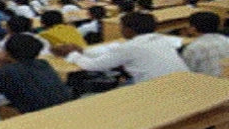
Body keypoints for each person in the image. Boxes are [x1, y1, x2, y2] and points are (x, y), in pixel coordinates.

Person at [54, 12, 189, 83]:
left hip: (154, 88)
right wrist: (83, 51)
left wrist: (72, 54)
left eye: (121, 26)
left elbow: (93, 66)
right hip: (180, 81)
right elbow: (113, 51)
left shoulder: (131, 47)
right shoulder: (162, 39)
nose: (120, 29)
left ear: (129, 30)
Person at [0, 34, 72, 113]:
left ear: (7, 53)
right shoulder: (43, 63)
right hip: (67, 109)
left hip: (38, 118)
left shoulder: (5, 72)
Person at [181, 12, 229, 77]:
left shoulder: (193, 48)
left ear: (193, 29)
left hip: (206, 84)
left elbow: (186, 72)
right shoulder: (226, 40)